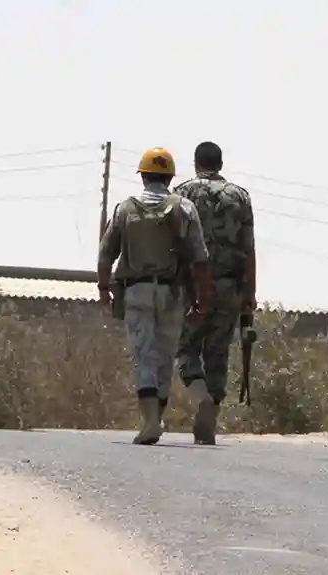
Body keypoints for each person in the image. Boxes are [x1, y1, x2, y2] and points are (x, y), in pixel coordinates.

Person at [97, 147, 212, 445]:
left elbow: (106, 254)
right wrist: (202, 300)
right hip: (173, 292)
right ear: (170, 177)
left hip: (137, 291)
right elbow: (200, 259)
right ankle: (155, 418)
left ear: (143, 176)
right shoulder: (185, 208)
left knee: (143, 355)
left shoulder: (125, 209)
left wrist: (103, 288)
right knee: (165, 357)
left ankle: (150, 422)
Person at [173, 141, 256, 445]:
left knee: (185, 348)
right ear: (220, 164)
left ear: (196, 163)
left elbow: (174, 244)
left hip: (193, 287)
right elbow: (249, 248)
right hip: (230, 286)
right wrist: (250, 292)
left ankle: (201, 397)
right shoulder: (240, 196)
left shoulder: (182, 194)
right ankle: (211, 416)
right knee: (218, 353)